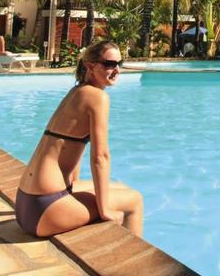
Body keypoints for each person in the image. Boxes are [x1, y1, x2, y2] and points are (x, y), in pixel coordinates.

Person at [15, 40, 144, 238]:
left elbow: (70, 146)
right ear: (90, 66)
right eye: (110, 64)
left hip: (26, 204)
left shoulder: (76, 92)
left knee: (121, 188)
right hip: (44, 209)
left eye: (120, 63)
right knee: (134, 200)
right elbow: (100, 158)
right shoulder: (97, 97)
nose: (116, 69)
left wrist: (73, 188)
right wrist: (104, 210)